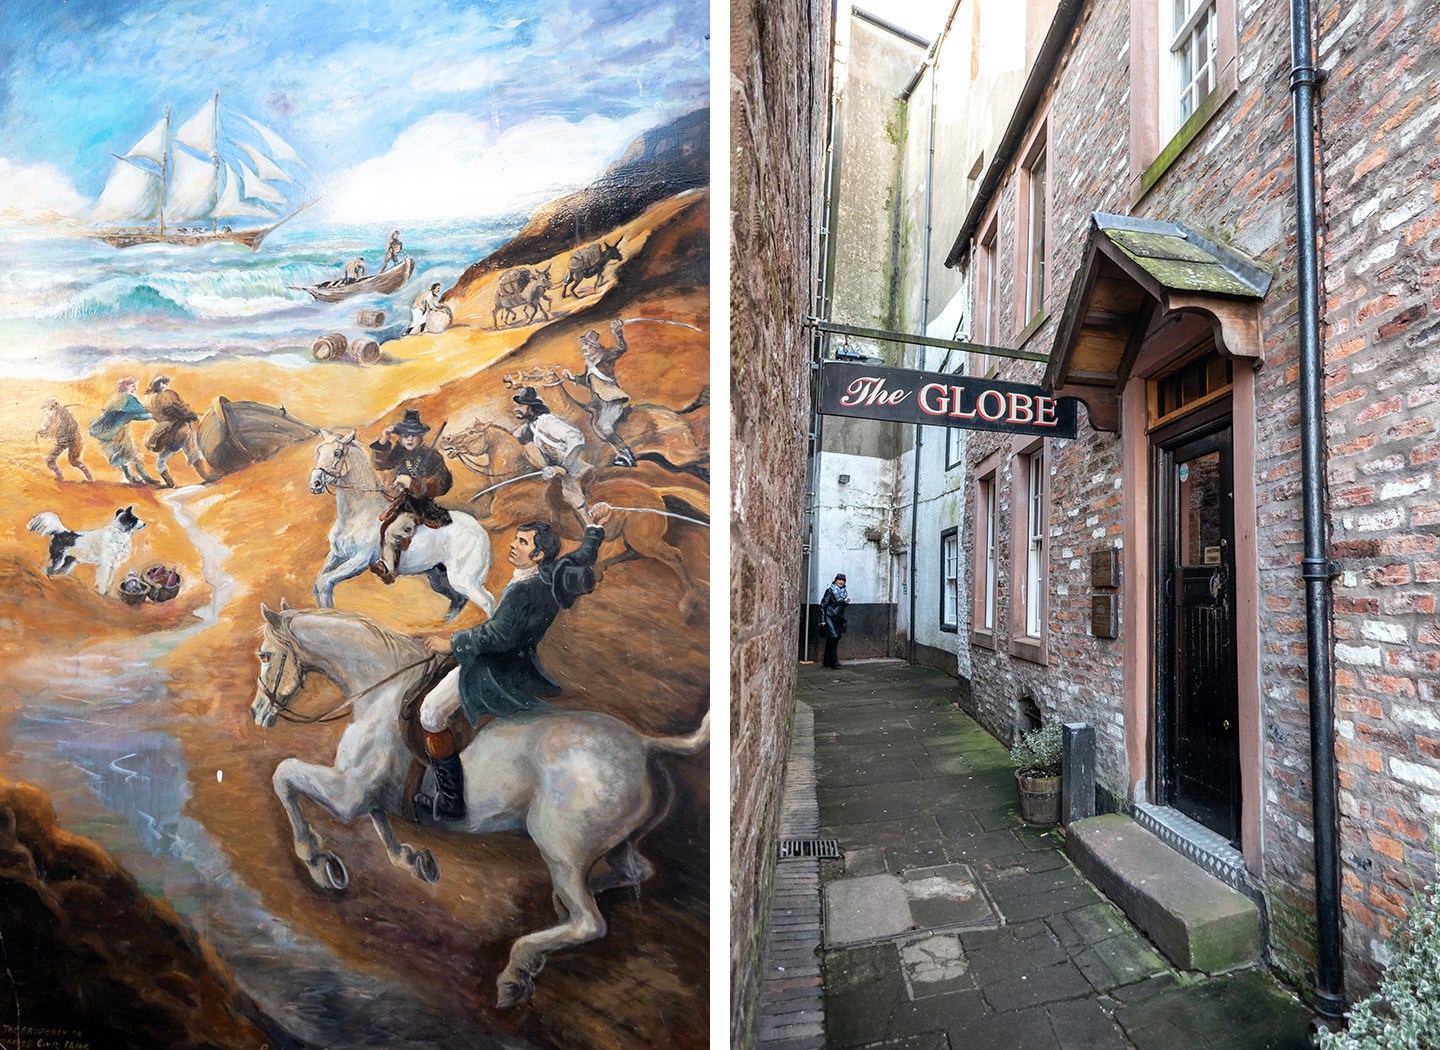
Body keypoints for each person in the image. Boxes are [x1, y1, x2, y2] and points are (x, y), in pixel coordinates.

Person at [417, 504, 613, 820]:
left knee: (430, 712)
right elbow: (583, 555)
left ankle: (451, 801)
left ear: (537, 556)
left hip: (496, 668)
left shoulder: (526, 590)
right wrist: (595, 527)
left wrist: (450, 642)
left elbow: (498, 635)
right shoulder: (553, 572)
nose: (513, 544)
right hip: (522, 663)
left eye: (522, 543)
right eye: (517, 539)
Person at [368, 409, 453, 584]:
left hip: (418, 508)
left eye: (413, 435)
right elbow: (381, 464)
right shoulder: (401, 452)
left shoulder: (433, 457)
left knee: (393, 531)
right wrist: (385, 438)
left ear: (421, 436)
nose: (409, 439)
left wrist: (412, 484)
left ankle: (389, 570)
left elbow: (442, 484)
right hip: (401, 502)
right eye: (405, 435)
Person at [510, 385, 595, 527]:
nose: (516, 408)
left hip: (572, 469)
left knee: (570, 494)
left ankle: (591, 526)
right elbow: (519, 435)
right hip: (556, 472)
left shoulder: (550, 422)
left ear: (531, 407)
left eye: (521, 405)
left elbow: (576, 439)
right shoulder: (532, 426)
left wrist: (563, 468)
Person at [572, 319, 636, 467]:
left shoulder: (606, 356)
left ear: (596, 347)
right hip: (599, 402)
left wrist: (617, 332)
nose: (584, 348)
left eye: (588, 345)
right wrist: (572, 378)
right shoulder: (589, 362)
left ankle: (627, 455)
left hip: (611, 400)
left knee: (604, 427)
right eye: (584, 344)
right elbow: (587, 380)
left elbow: (621, 347)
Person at [144, 376, 216, 487]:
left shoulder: (151, 399)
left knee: (163, 458)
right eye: (166, 383)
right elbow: (179, 408)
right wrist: (191, 415)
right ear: (162, 384)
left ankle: (168, 480)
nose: (168, 385)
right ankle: (207, 476)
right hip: (181, 429)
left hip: (166, 432)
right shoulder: (168, 395)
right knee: (193, 453)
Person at [89, 377, 158, 486]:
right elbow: (141, 411)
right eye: (133, 386)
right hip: (112, 433)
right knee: (132, 456)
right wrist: (156, 414)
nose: (135, 388)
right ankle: (145, 479)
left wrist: (152, 416)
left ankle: (132, 477)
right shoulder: (126, 399)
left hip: (117, 432)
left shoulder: (115, 398)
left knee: (127, 456)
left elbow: (134, 415)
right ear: (126, 386)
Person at [37, 398, 93, 483]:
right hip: (62, 441)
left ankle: (89, 478)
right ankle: (60, 477)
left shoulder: (64, 416)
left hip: (74, 439)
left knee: (74, 461)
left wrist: (49, 433)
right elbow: (48, 429)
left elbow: (71, 428)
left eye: (46, 411)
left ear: (53, 409)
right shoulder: (50, 418)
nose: (45, 413)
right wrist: (43, 432)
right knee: (50, 461)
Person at [820, 573, 850, 669]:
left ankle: (827, 662)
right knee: (833, 638)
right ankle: (834, 661)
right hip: (829, 617)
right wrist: (823, 619)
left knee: (832, 639)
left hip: (838, 618)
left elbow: (840, 605)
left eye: (843, 580)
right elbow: (823, 605)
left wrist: (845, 603)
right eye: (839, 579)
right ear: (835, 580)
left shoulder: (844, 592)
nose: (841, 582)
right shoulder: (830, 590)